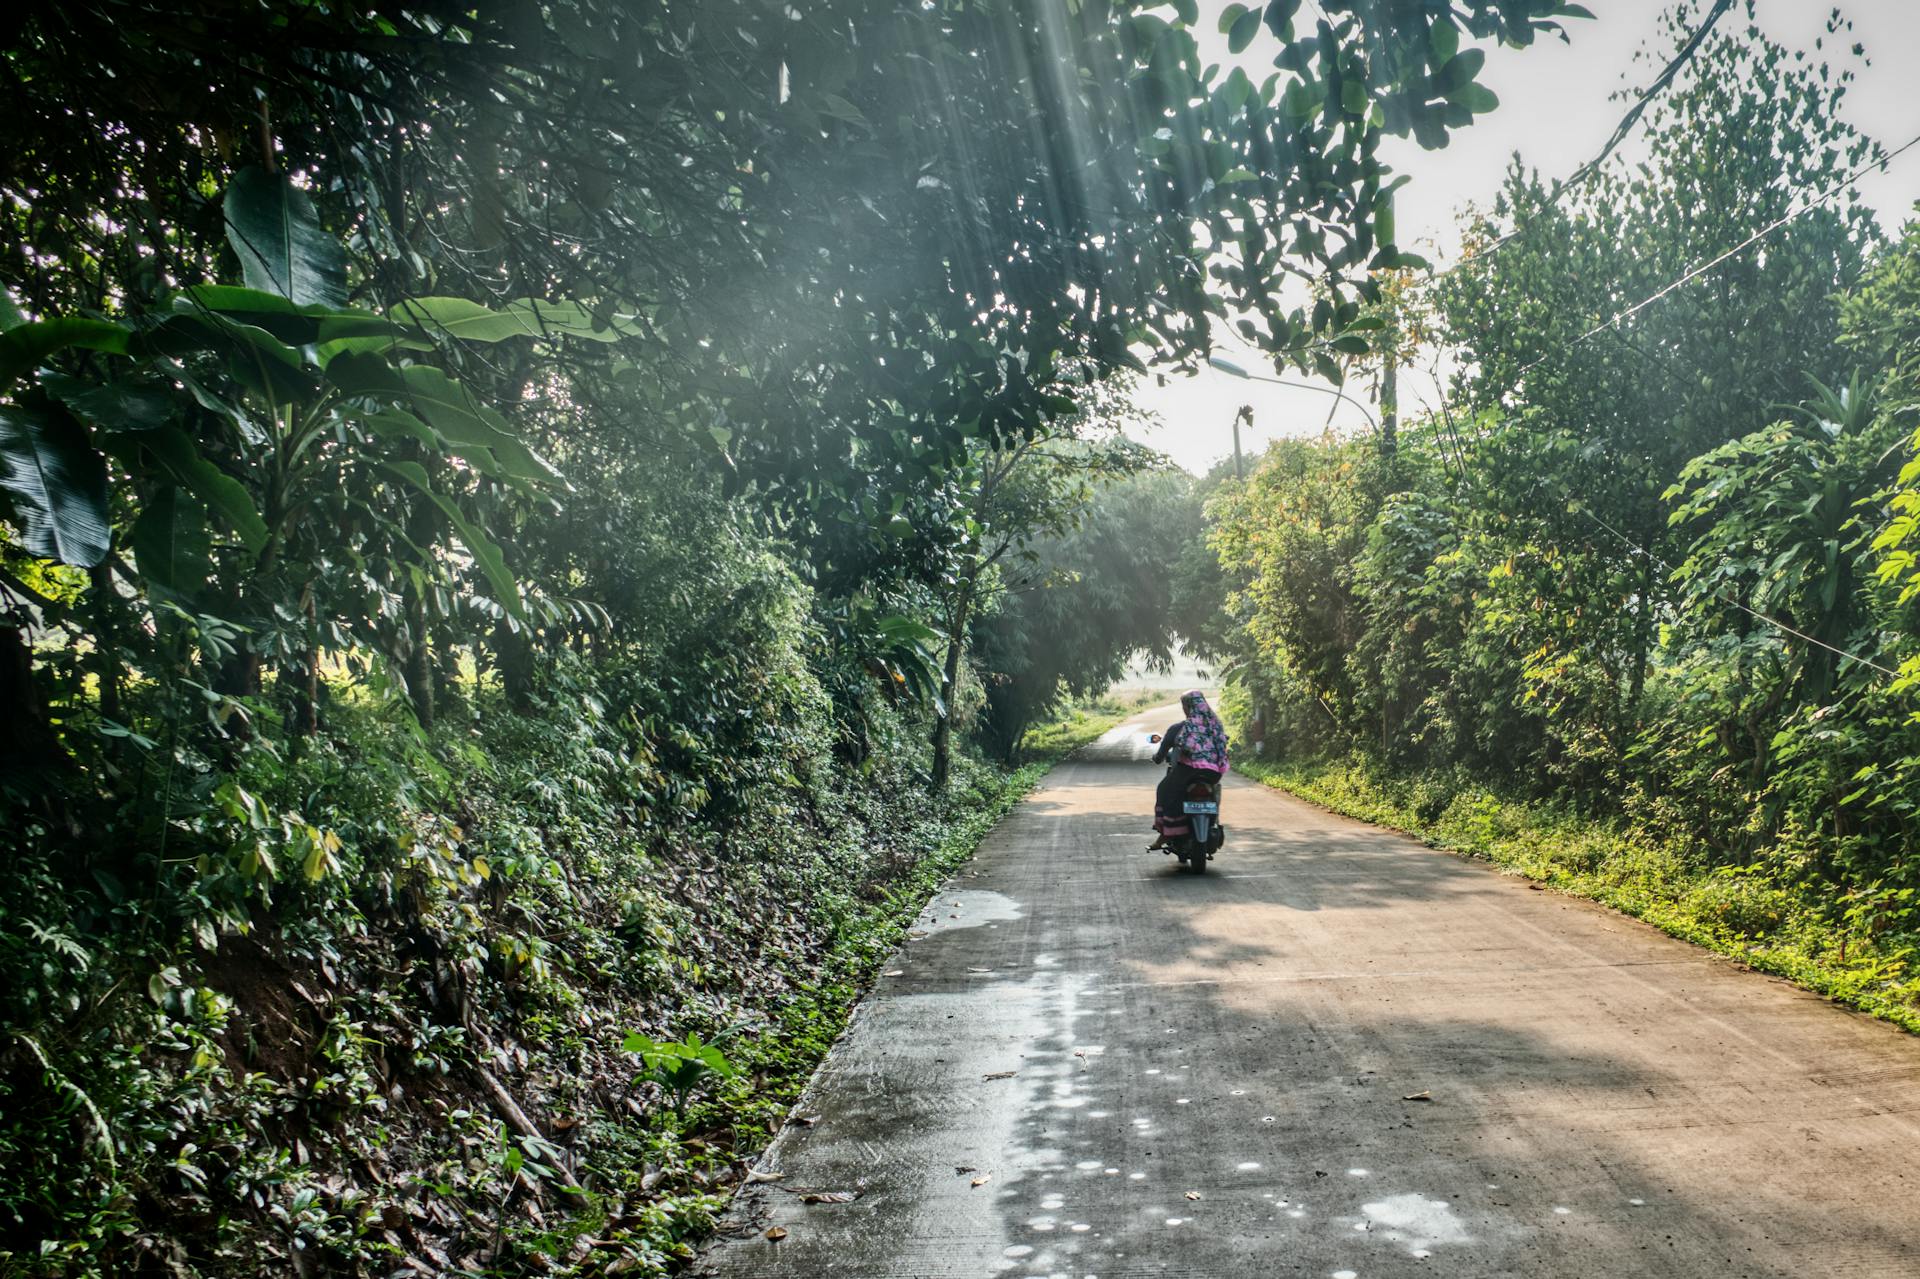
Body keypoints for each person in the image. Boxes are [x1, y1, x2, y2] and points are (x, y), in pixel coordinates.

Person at [1148, 690, 1229, 849]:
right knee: (1214, 792)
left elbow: (1163, 752)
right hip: (1213, 772)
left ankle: (1168, 832)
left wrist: (1157, 758)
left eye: (1184, 706)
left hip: (1189, 770)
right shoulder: (1216, 725)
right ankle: (1214, 819)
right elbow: (1222, 746)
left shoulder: (1181, 728)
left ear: (1188, 707)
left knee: (1166, 789)